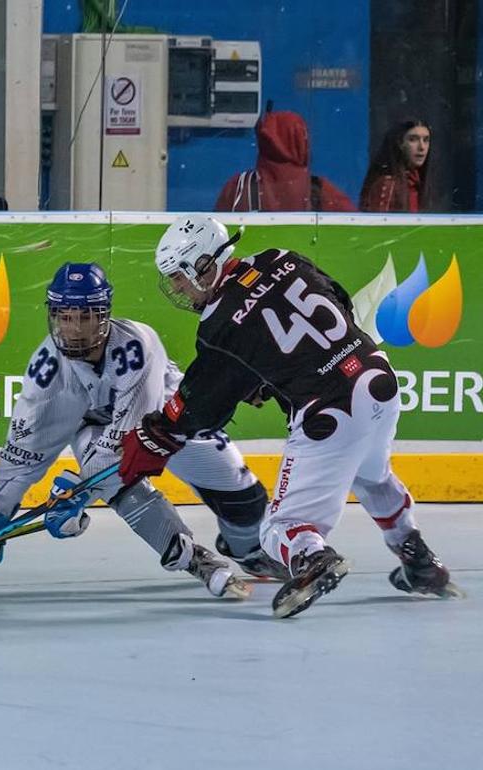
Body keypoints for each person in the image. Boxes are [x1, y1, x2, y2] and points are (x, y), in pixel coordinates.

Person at [120, 215, 461, 618]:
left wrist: (161, 432)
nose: (176, 286)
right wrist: (277, 370)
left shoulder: (219, 323)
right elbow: (339, 301)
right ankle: (418, 559)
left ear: (204, 264)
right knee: (372, 475)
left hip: (329, 411)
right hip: (376, 377)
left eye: (179, 275)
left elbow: (202, 404)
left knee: (278, 529)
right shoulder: (281, 258)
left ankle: (312, 559)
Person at [0, 262, 285, 601]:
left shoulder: (136, 345)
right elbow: (23, 454)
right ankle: (195, 559)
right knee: (121, 486)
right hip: (98, 432)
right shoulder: (47, 372)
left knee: (246, 500)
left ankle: (247, 548)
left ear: (103, 316)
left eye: (85, 316)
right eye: (65, 316)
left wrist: (78, 495)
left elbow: (132, 441)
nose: (74, 329)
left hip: (173, 423)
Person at [214, 110, 355, 212]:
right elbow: (356, 229)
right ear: (300, 141)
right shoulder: (321, 191)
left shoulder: (238, 187)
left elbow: (214, 234)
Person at [360, 119, 431, 212]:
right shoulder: (387, 184)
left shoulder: (418, 182)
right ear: (400, 143)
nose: (422, 147)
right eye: (413, 139)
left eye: (426, 140)